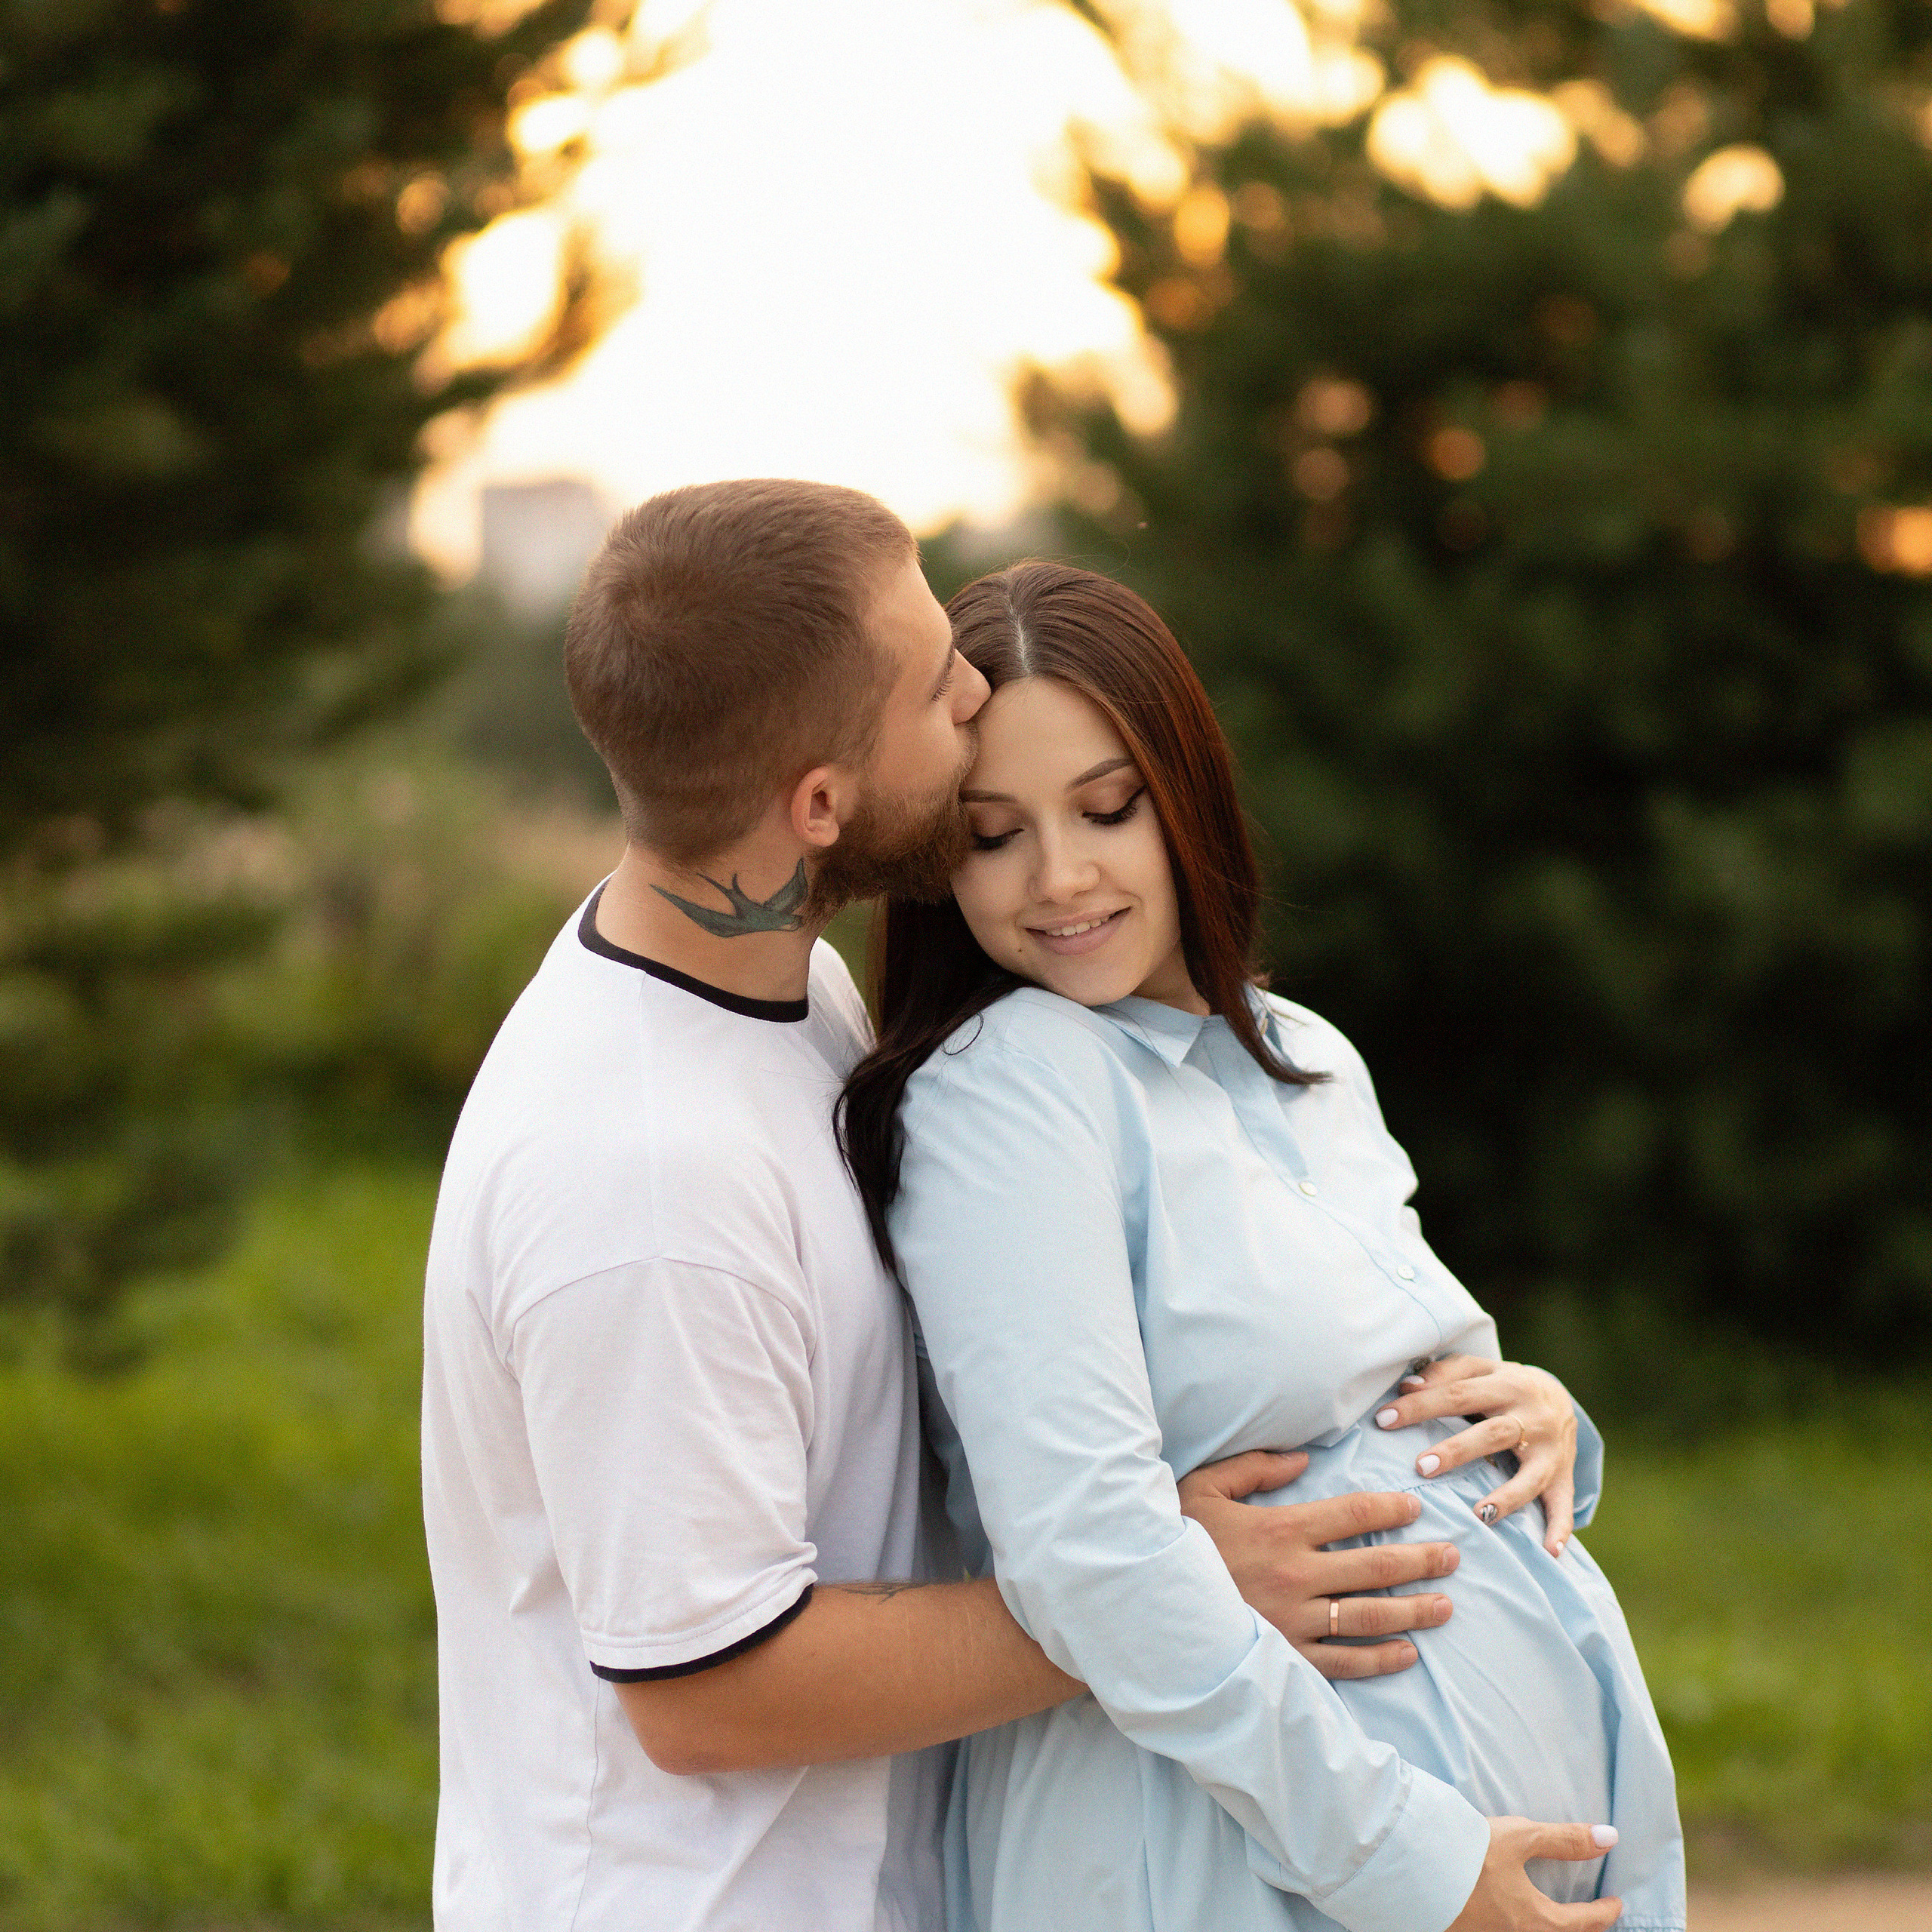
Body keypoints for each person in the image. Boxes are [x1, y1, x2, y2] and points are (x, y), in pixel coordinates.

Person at [419, 481, 1490, 1932]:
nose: (977, 684)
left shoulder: (786, 994)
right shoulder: (645, 1180)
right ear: (819, 805)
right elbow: (707, 1690)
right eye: (936, 686)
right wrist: (1168, 1585)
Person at [838, 561, 1687, 1932]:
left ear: (1186, 789)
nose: (1061, 878)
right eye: (992, 835)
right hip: (1218, 1848)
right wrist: (1410, 1865)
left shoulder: (1304, 1055)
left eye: (1108, 808)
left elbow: (1403, 1377)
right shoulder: (1011, 1088)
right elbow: (1092, 1556)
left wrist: (1533, 1407)